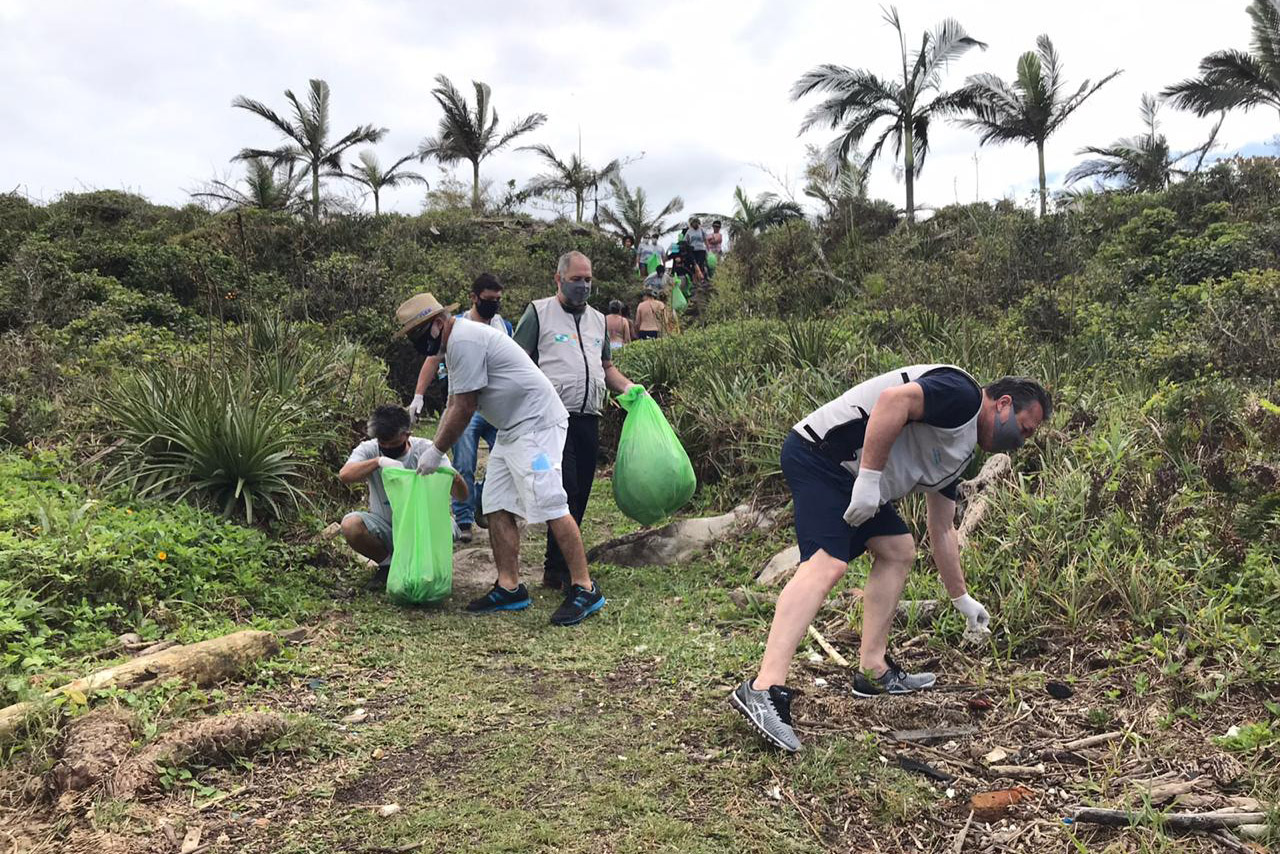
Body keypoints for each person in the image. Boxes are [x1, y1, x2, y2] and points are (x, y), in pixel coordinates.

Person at [730, 367, 1051, 752]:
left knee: (898, 550)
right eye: (1024, 429)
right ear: (1003, 404)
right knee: (827, 563)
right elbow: (893, 401)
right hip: (822, 456)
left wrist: (961, 598)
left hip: (853, 477)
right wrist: (868, 481)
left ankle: (873, 670)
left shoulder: (961, 451)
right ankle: (763, 689)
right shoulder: (962, 394)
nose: (1020, 442)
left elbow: (942, 529)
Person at [396, 292, 608, 626]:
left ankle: (585, 586)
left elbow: (465, 408)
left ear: (436, 324)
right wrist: (433, 447)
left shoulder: (464, 340)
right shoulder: (453, 344)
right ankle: (510, 586)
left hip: (537, 423)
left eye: (418, 334)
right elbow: (453, 403)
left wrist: (436, 452)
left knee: (550, 501)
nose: (417, 343)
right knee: (495, 503)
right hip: (511, 427)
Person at [512, 251, 638, 591]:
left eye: (588, 279)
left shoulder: (598, 319)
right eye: (576, 279)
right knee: (564, 489)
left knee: (581, 491)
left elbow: (607, 367)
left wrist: (629, 388)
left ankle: (560, 566)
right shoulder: (538, 313)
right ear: (558, 279)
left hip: (588, 417)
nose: (583, 285)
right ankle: (559, 568)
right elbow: (516, 361)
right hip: (551, 419)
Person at [409, 274, 513, 544]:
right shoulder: (454, 326)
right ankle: (464, 519)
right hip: (466, 405)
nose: (494, 304)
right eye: (489, 299)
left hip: (497, 406)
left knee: (505, 460)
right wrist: (419, 395)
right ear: (474, 297)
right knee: (464, 461)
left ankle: (482, 500)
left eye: (497, 300)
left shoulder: (504, 326)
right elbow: (433, 360)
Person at [338, 404, 467, 586]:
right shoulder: (369, 449)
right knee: (351, 525)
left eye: (393, 444)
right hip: (387, 528)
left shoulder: (427, 451)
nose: (387, 447)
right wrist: (378, 462)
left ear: (407, 434)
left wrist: (454, 477)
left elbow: (462, 496)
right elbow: (345, 475)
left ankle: (425, 565)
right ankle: (388, 565)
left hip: (423, 529)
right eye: (383, 444)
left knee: (443, 531)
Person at [684, 218, 709, 283]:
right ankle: (695, 280)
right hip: (693, 250)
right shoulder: (689, 231)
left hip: (701, 249)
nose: (696, 224)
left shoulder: (701, 230)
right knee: (694, 264)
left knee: (700, 264)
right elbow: (686, 241)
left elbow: (705, 240)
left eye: (697, 223)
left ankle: (701, 279)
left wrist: (708, 249)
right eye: (694, 223)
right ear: (692, 224)